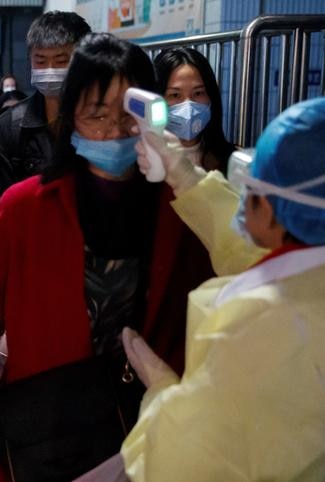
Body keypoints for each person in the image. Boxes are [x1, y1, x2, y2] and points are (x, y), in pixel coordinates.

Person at [0, 33, 222, 482]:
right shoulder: (28, 207)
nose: (115, 129)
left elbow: (216, 301)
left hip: (152, 425)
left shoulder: (181, 207)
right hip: (50, 427)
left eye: (129, 114)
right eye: (96, 114)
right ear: (72, 118)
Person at [107, 97, 325, 481]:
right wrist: (184, 175)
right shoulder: (308, 273)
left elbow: (181, 466)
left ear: (275, 208)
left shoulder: (256, 322)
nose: (243, 200)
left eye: (251, 187)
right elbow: (251, 253)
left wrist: (163, 395)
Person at [0, 11, 91, 224]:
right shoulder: (9, 127)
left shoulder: (103, 125)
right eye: (40, 61)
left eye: (61, 61)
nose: (50, 70)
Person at [154, 47, 235, 172]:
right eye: (175, 95)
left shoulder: (234, 162)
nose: (188, 107)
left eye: (198, 93)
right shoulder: (143, 163)